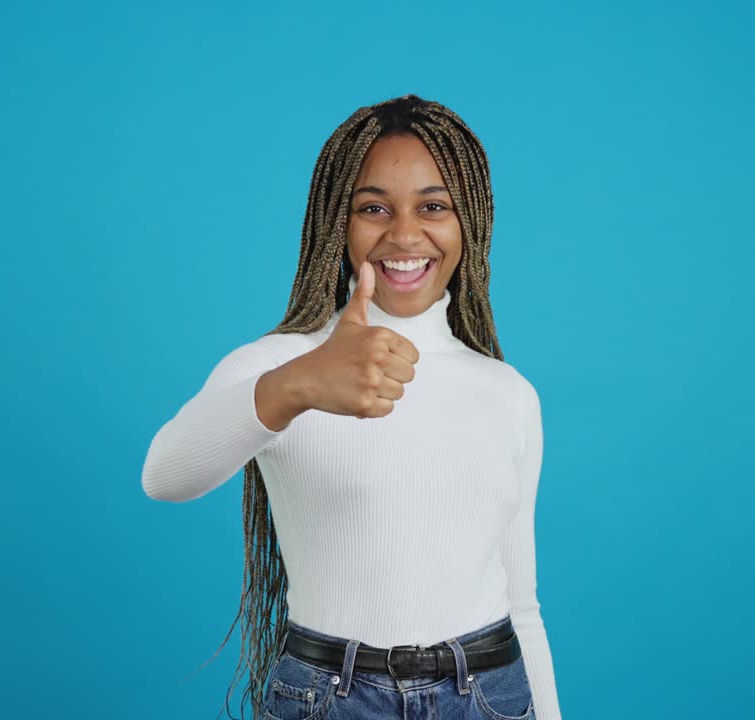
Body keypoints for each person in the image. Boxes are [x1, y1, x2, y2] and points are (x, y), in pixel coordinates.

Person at [142, 94, 561, 720]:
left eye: (433, 206)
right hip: (333, 699)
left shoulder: (508, 393)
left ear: (470, 221)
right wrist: (301, 384)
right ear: (336, 223)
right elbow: (165, 476)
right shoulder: (280, 364)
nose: (403, 234)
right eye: (373, 208)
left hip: (488, 693)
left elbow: (521, 607)